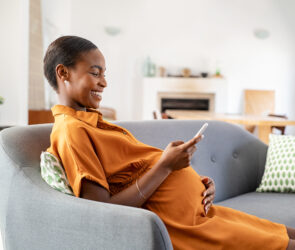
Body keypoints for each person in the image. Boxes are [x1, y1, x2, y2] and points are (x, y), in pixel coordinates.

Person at [44, 35, 295, 250]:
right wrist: (165, 166)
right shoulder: (71, 130)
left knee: (285, 232)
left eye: (104, 74)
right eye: (95, 73)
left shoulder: (92, 122)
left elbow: (132, 172)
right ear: (63, 72)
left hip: (203, 212)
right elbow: (100, 211)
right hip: (185, 228)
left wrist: (199, 184)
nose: (104, 82)